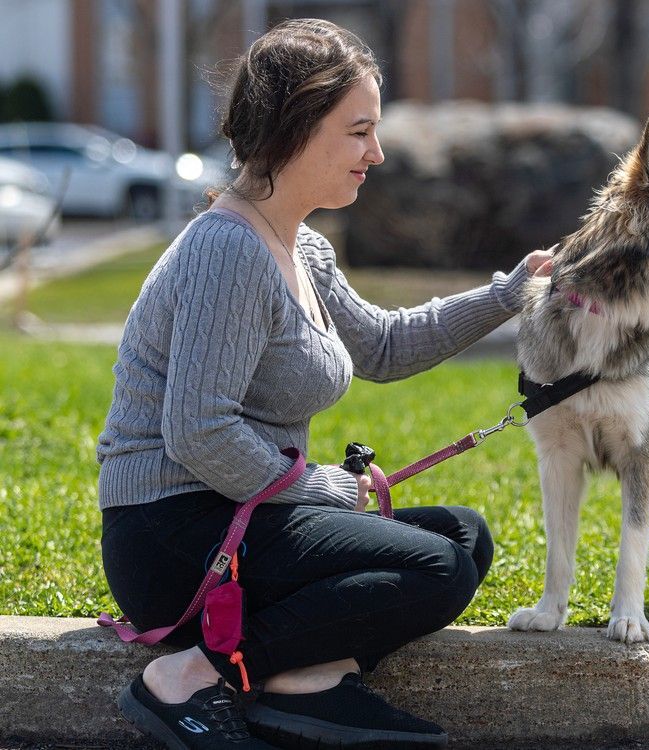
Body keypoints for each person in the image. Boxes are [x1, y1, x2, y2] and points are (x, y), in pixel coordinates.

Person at [97, 18, 552, 750]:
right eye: (359, 130)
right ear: (296, 126)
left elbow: (384, 344)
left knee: (461, 536)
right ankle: (193, 676)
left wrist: (510, 293)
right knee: (434, 567)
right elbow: (197, 430)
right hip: (172, 533)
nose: (375, 153)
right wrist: (323, 488)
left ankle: (308, 681)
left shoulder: (299, 244)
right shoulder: (228, 250)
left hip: (238, 515)